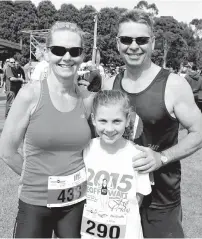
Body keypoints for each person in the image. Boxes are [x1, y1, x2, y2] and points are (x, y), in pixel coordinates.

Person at [102, 9, 202, 238]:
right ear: (118, 43)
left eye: (142, 40)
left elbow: (199, 131)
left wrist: (162, 158)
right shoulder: (109, 84)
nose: (133, 46)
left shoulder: (173, 84)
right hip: (117, 200)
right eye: (126, 39)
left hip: (160, 201)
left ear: (153, 43)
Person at [0, 21, 95, 238]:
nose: (67, 57)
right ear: (47, 53)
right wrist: (37, 179)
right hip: (35, 203)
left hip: (75, 203)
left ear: (82, 55)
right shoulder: (30, 95)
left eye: (75, 51)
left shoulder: (87, 99)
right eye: (59, 50)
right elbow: (6, 151)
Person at [81, 90, 151, 239]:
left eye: (117, 121)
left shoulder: (137, 155)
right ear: (93, 119)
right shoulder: (86, 149)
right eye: (103, 121)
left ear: (127, 120)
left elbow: (138, 197)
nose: (110, 129)